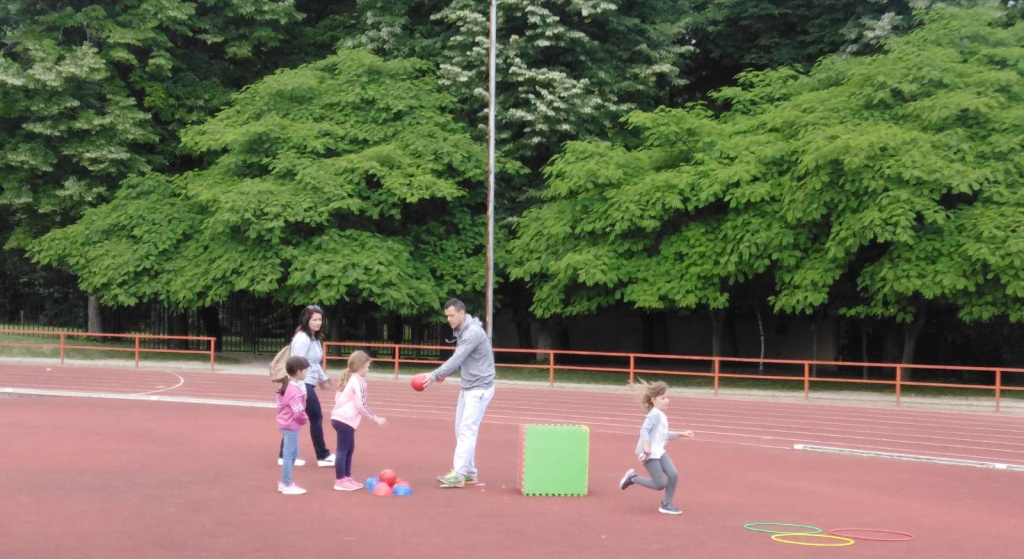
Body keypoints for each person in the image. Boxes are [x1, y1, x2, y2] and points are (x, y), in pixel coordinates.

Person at [420, 298, 495, 488]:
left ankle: (459, 475)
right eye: (447, 316)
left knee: (466, 431)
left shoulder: (473, 332)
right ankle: (469, 473)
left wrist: (435, 375)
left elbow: (457, 358)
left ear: (462, 313)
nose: (448, 319)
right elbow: (460, 361)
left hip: (479, 389)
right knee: (460, 430)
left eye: (451, 315)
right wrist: (444, 373)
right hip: (468, 387)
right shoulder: (461, 331)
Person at [618, 380, 694, 515]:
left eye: (667, 397)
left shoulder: (660, 415)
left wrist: (681, 434)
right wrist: (646, 449)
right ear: (653, 399)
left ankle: (667, 504)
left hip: (658, 451)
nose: (667, 401)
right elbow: (644, 431)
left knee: (673, 474)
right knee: (659, 484)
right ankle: (632, 478)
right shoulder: (654, 415)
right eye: (663, 398)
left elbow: (662, 435)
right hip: (649, 453)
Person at [278, 305, 335, 468]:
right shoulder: (303, 338)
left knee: (296, 419)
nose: (318, 322)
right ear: (306, 320)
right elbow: (296, 364)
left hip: (307, 383)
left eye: (320, 319)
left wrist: (323, 378)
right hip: (301, 384)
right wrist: (301, 388)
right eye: (314, 319)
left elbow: (313, 363)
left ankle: (285, 455)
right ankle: (322, 455)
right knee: (315, 417)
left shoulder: (314, 338)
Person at [330, 350, 388, 491]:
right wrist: (374, 417)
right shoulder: (358, 381)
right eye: (367, 366)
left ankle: (347, 477)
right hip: (345, 420)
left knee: (349, 449)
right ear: (360, 366)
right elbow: (360, 404)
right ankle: (340, 480)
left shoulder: (348, 378)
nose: (368, 369)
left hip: (339, 418)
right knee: (343, 450)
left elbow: (338, 398)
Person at [276, 356, 311, 495]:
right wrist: (304, 419)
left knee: (293, 454)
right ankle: (286, 483)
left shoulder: (285, 386)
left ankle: (286, 482)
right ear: (298, 371)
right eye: (305, 370)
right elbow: (298, 412)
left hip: (286, 423)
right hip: (291, 425)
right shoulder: (294, 391)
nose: (306, 373)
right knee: (289, 454)